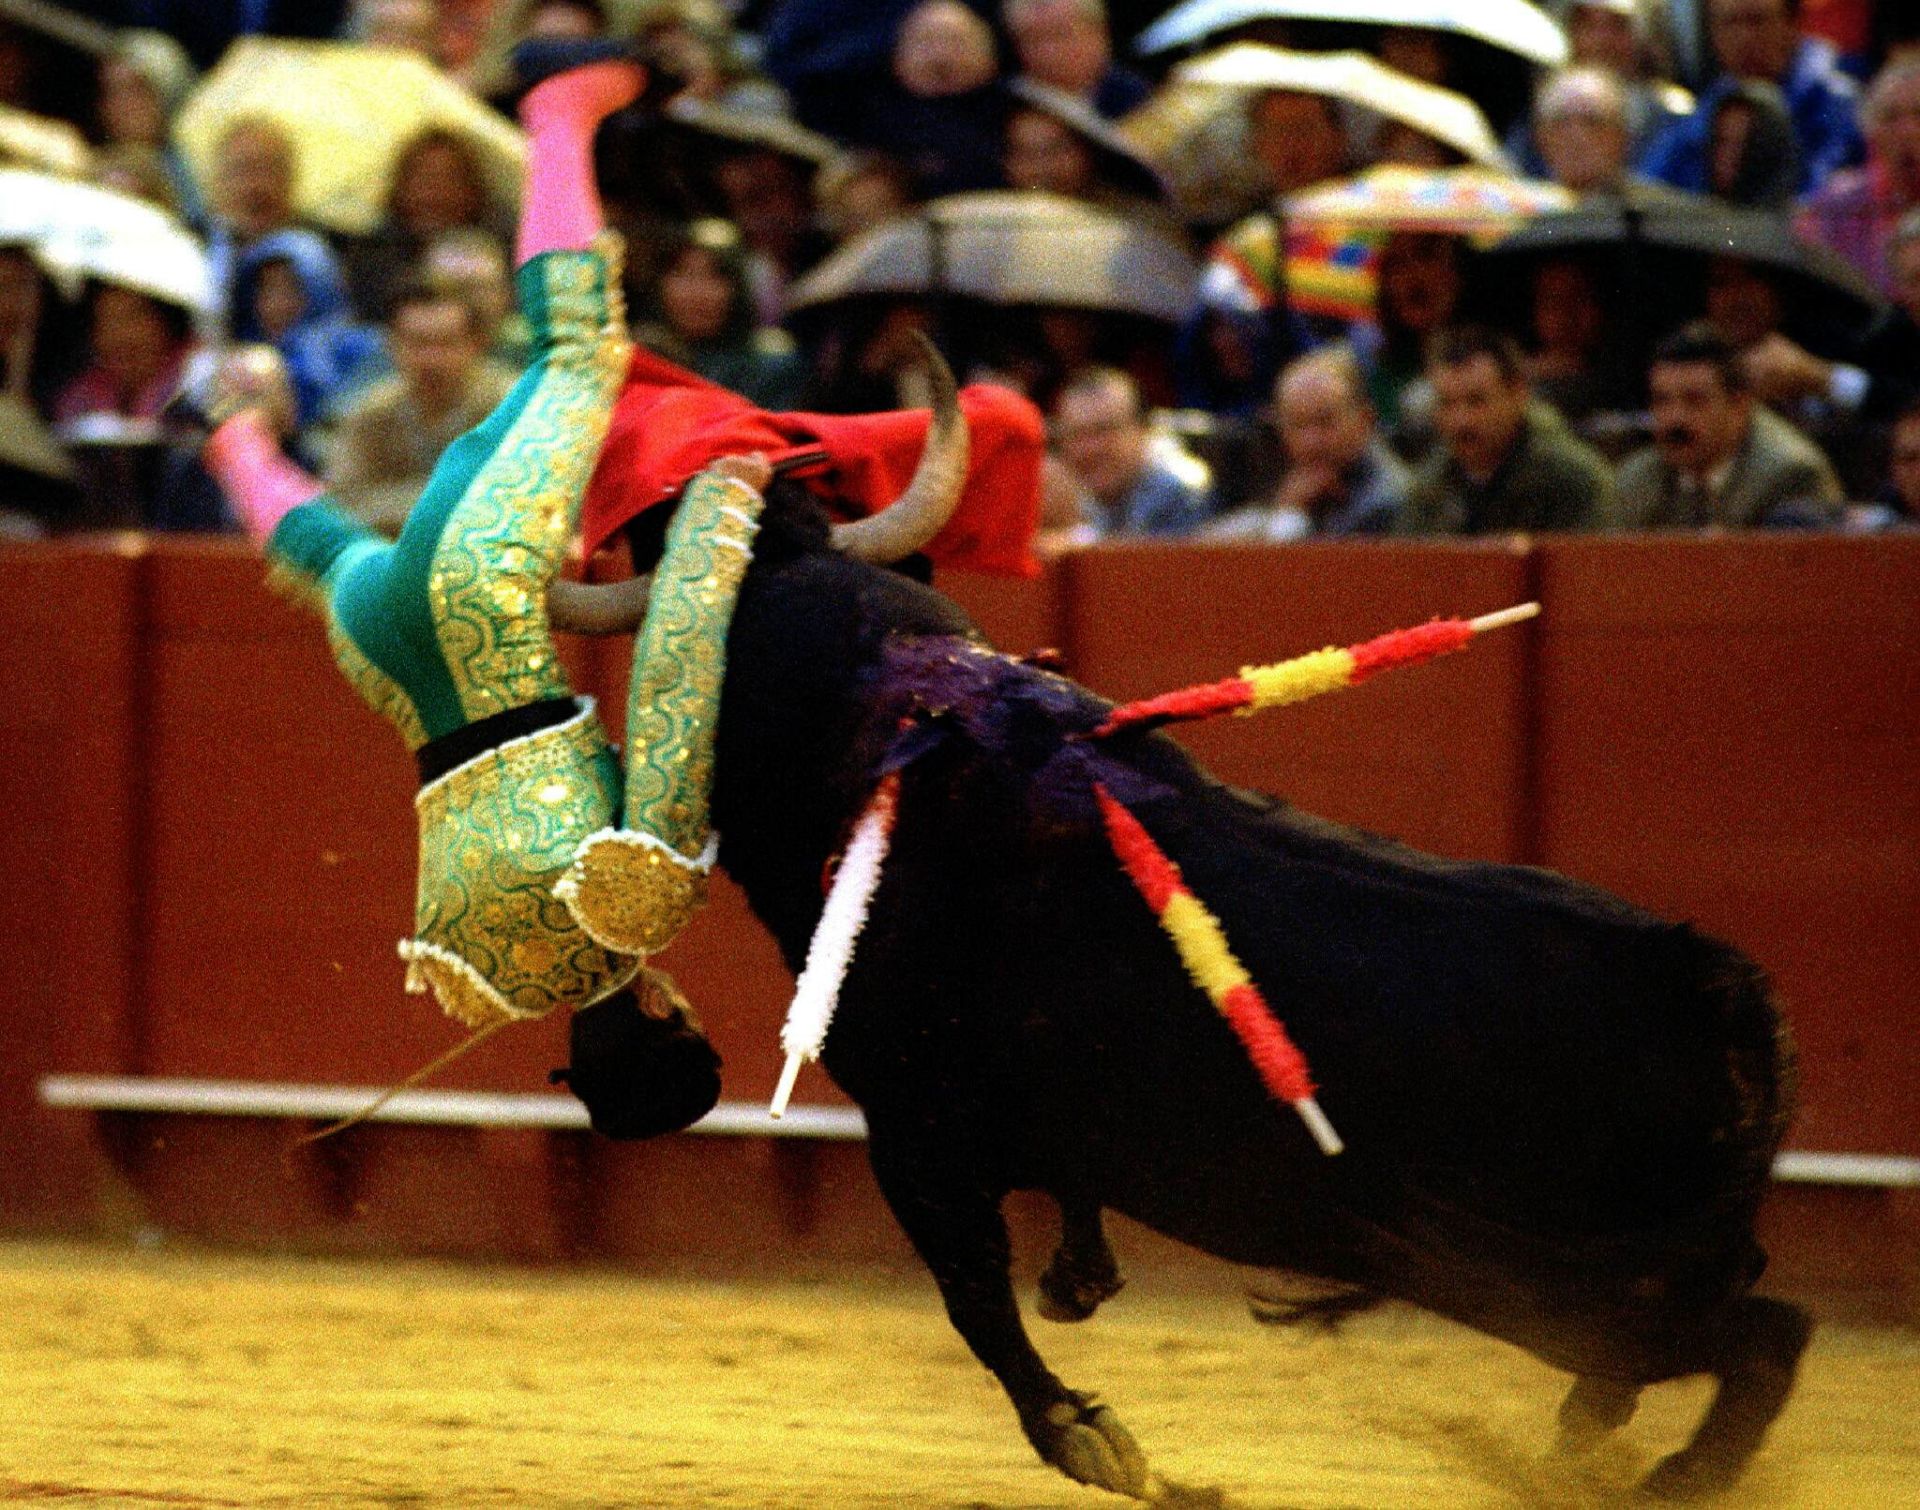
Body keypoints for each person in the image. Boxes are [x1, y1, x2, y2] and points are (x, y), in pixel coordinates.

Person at [192, 44, 723, 1140]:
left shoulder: (638, 909)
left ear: (669, 1011)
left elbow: (677, 686)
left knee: (581, 352)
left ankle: (558, 117)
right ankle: (234, 440)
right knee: (329, 555)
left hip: (483, 621)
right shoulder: (484, 980)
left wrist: (723, 536)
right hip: (388, 666)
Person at [325, 277, 518, 532]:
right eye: (417, 343)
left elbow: (514, 498)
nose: (431, 360)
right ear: (392, 344)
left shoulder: (512, 408)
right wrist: (454, 498)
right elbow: (342, 503)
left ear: (477, 344)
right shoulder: (371, 414)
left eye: (446, 343)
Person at [1616, 322, 1843, 528]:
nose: (1676, 418)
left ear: (1740, 406)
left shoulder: (1791, 475)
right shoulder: (1636, 481)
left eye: (1695, 400)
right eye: (1661, 400)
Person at [1398, 325, 1616, 535]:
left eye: (1476, 401)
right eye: (1447, 404)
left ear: (1518, 394)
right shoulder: (1429, 487)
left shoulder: (1571, 482)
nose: (1461, 421)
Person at [1642, 0, 1863, 196]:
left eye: (1756, 21)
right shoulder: (1714, 102)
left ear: (1792, 25)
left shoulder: (1838, 104)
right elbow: (1652, 186)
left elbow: (1821, 202)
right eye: (1730, 22)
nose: (1744, 38)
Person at [1207, 346, 1407, 541]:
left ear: (1365, 419)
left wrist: (1289, 517)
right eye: (1298, 425)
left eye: (1325, 422)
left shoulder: (1383, 503)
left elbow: (1282, 571)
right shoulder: (1281, 472)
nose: (1311, 442)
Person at [637, 218, 809, 410]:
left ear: (739, 286)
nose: (698, 293)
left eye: (715, 275)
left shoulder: (771, 363)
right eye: (682, 274)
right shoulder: (642, 358)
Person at [228, 231, 384, 433]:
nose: (276, 304)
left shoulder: (362, 349)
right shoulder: (242, 361)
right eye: (265, 290)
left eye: (291, 289)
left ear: (321, 286)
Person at [1797, 58, 1920, 300]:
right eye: (1891, 118)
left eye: (1919, 115)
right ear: (1870, 133)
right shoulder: (1836, 206)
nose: (1907, 131)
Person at [1050, 365, 1212, 538]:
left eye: (1103, 430)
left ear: (1142, 430)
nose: (1090, 448)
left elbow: (1145, 561)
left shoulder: (1180, 491)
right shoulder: (1062, 491)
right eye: (1076, 434)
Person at [1001, 0, 1149, 121]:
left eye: (1059, 35)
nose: (1047, 52)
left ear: (1098, 35)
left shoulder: (1135, 97)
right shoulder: (1006, 108)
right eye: (1032, 39)